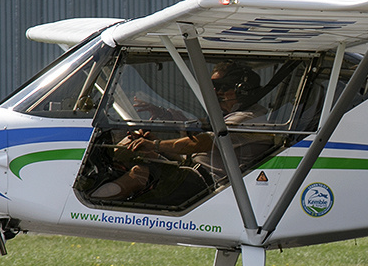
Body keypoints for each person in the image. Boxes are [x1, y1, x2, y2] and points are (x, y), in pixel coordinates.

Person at [90, 62, 270, 201]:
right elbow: (195, 141)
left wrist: (156, 145)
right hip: (196, 174)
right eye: (213, 86)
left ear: (240, 89)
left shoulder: (248, 118)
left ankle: (92, 205)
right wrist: (156, 141)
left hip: (208, 186)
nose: (214, 91)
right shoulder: (232, 116)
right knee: (137, 157)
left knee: (141, 172)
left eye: (221, 86)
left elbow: (202, 142)